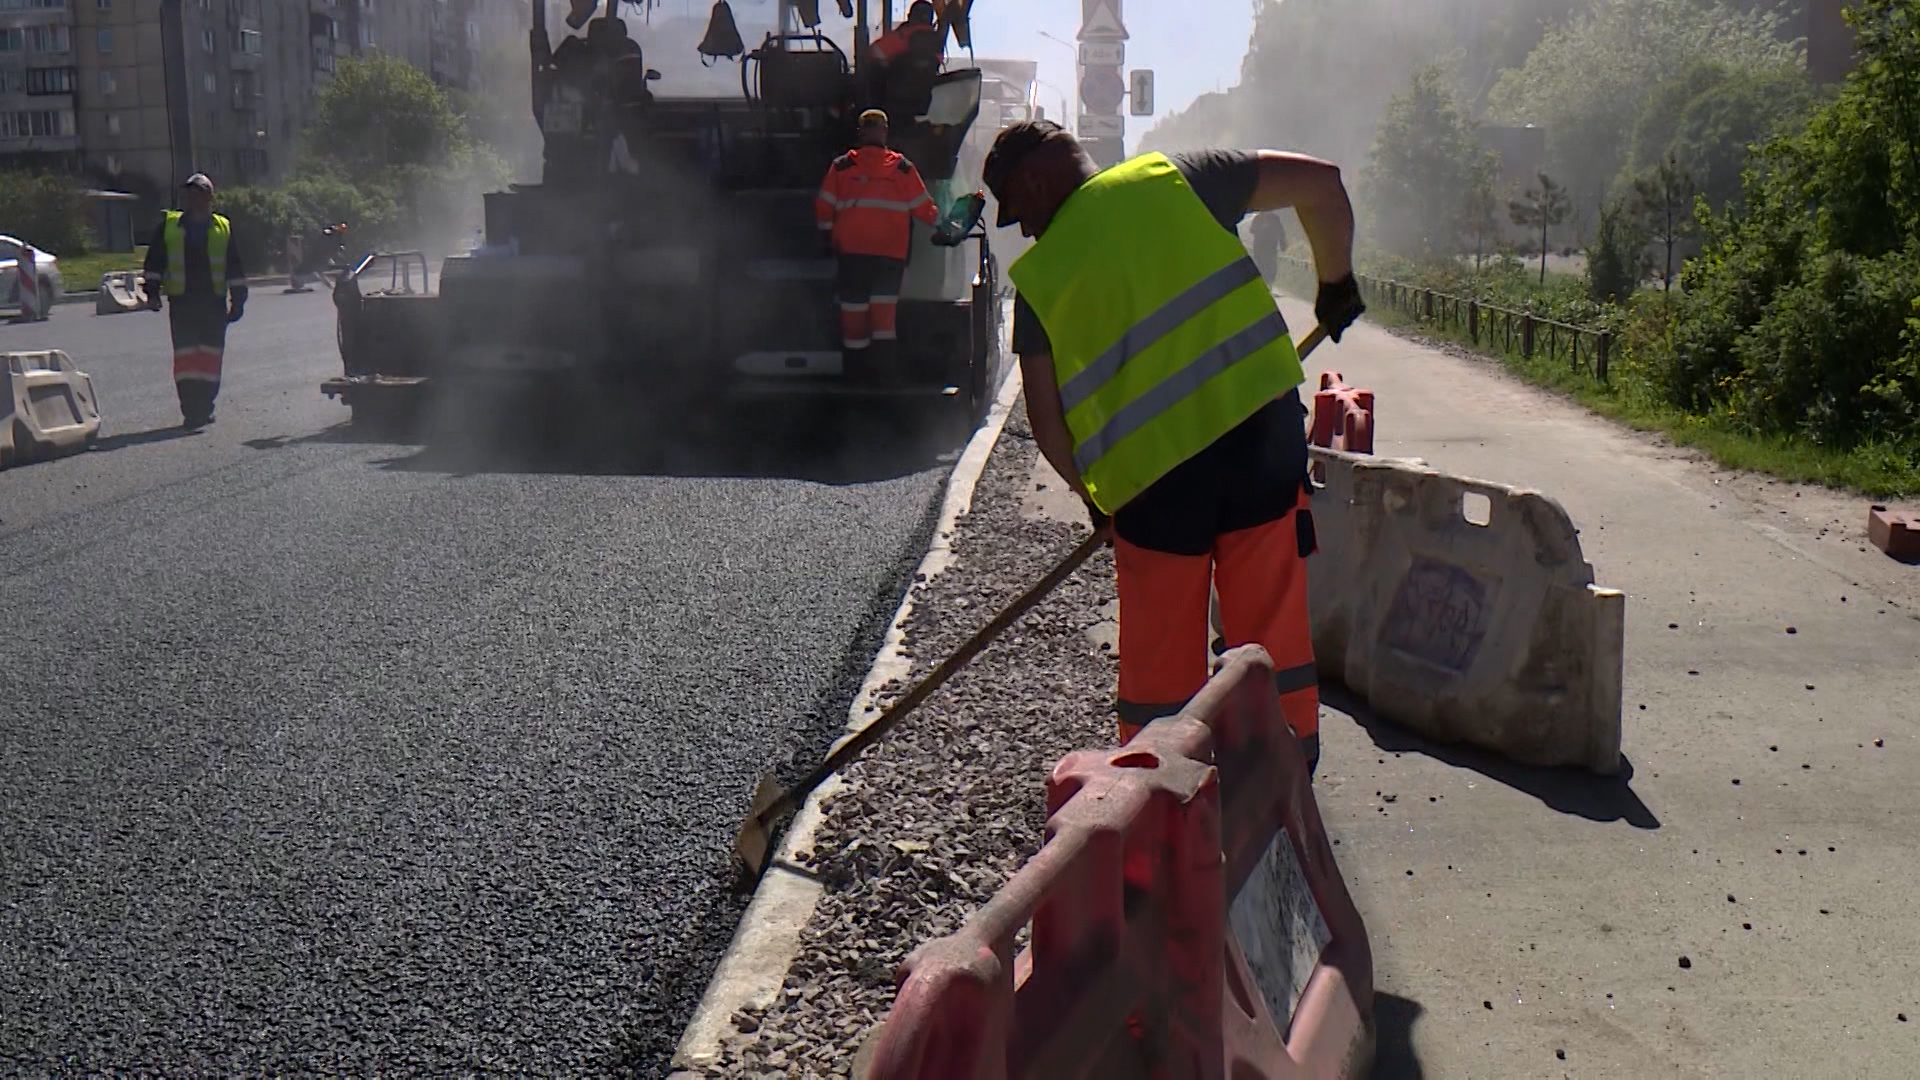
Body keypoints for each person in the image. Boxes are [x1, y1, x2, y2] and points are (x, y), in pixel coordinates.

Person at [982, 120, 1366, 773]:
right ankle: (1282, 772)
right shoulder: (1178, 178)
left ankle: (1161, 791)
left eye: (1018, 213)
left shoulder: (1040, 280)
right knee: (1268, 624)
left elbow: (1047, 425)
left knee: (1160, 661)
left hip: (1151, 490)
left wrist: (1093, 498)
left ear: (1036, 179)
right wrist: (1335, 282)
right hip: (1259, 443)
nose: (1023, 232)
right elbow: (1322, 184)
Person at [814, 109, 940, 375]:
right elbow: (924, 209)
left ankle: (855, 377)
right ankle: (883, 379)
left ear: (861, 132)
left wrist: (827, 239)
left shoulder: (841, 167)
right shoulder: (902, 168)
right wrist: (946, 225)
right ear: (884, 131)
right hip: (889, 257)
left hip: (851, 256)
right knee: (883, 319)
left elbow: (824, 208)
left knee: (853, 317)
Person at [142, 173, 248, 429]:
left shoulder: (222, 227)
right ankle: (191, 410)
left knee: (209, 358)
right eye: (189, 193)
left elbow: (234, 266)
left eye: (198, 193)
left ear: (209, 197)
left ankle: (205, 406)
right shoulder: (170, 225)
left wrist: (239, 300)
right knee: (187, 359)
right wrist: (153, 292)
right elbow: (154, 261)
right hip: (183, 303)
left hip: (213, 303)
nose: (192, 198)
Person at [868, 1, 942, 66]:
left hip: (895, 79)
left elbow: (873, 53)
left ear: (909, 16)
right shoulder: (936, 42)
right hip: (925, 80)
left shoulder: (900, 37)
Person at [1249, 210, 1288, 285]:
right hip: (1265, 247)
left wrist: (1282, 244)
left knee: (1267, 265)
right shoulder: (1269, 218)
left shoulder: (1261, 218)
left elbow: (1252, 230)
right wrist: (1282, 244)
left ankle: (1267, 283)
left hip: (1265, 248)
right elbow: (1281, 232)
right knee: (1266, 265)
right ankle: (1267, 283)